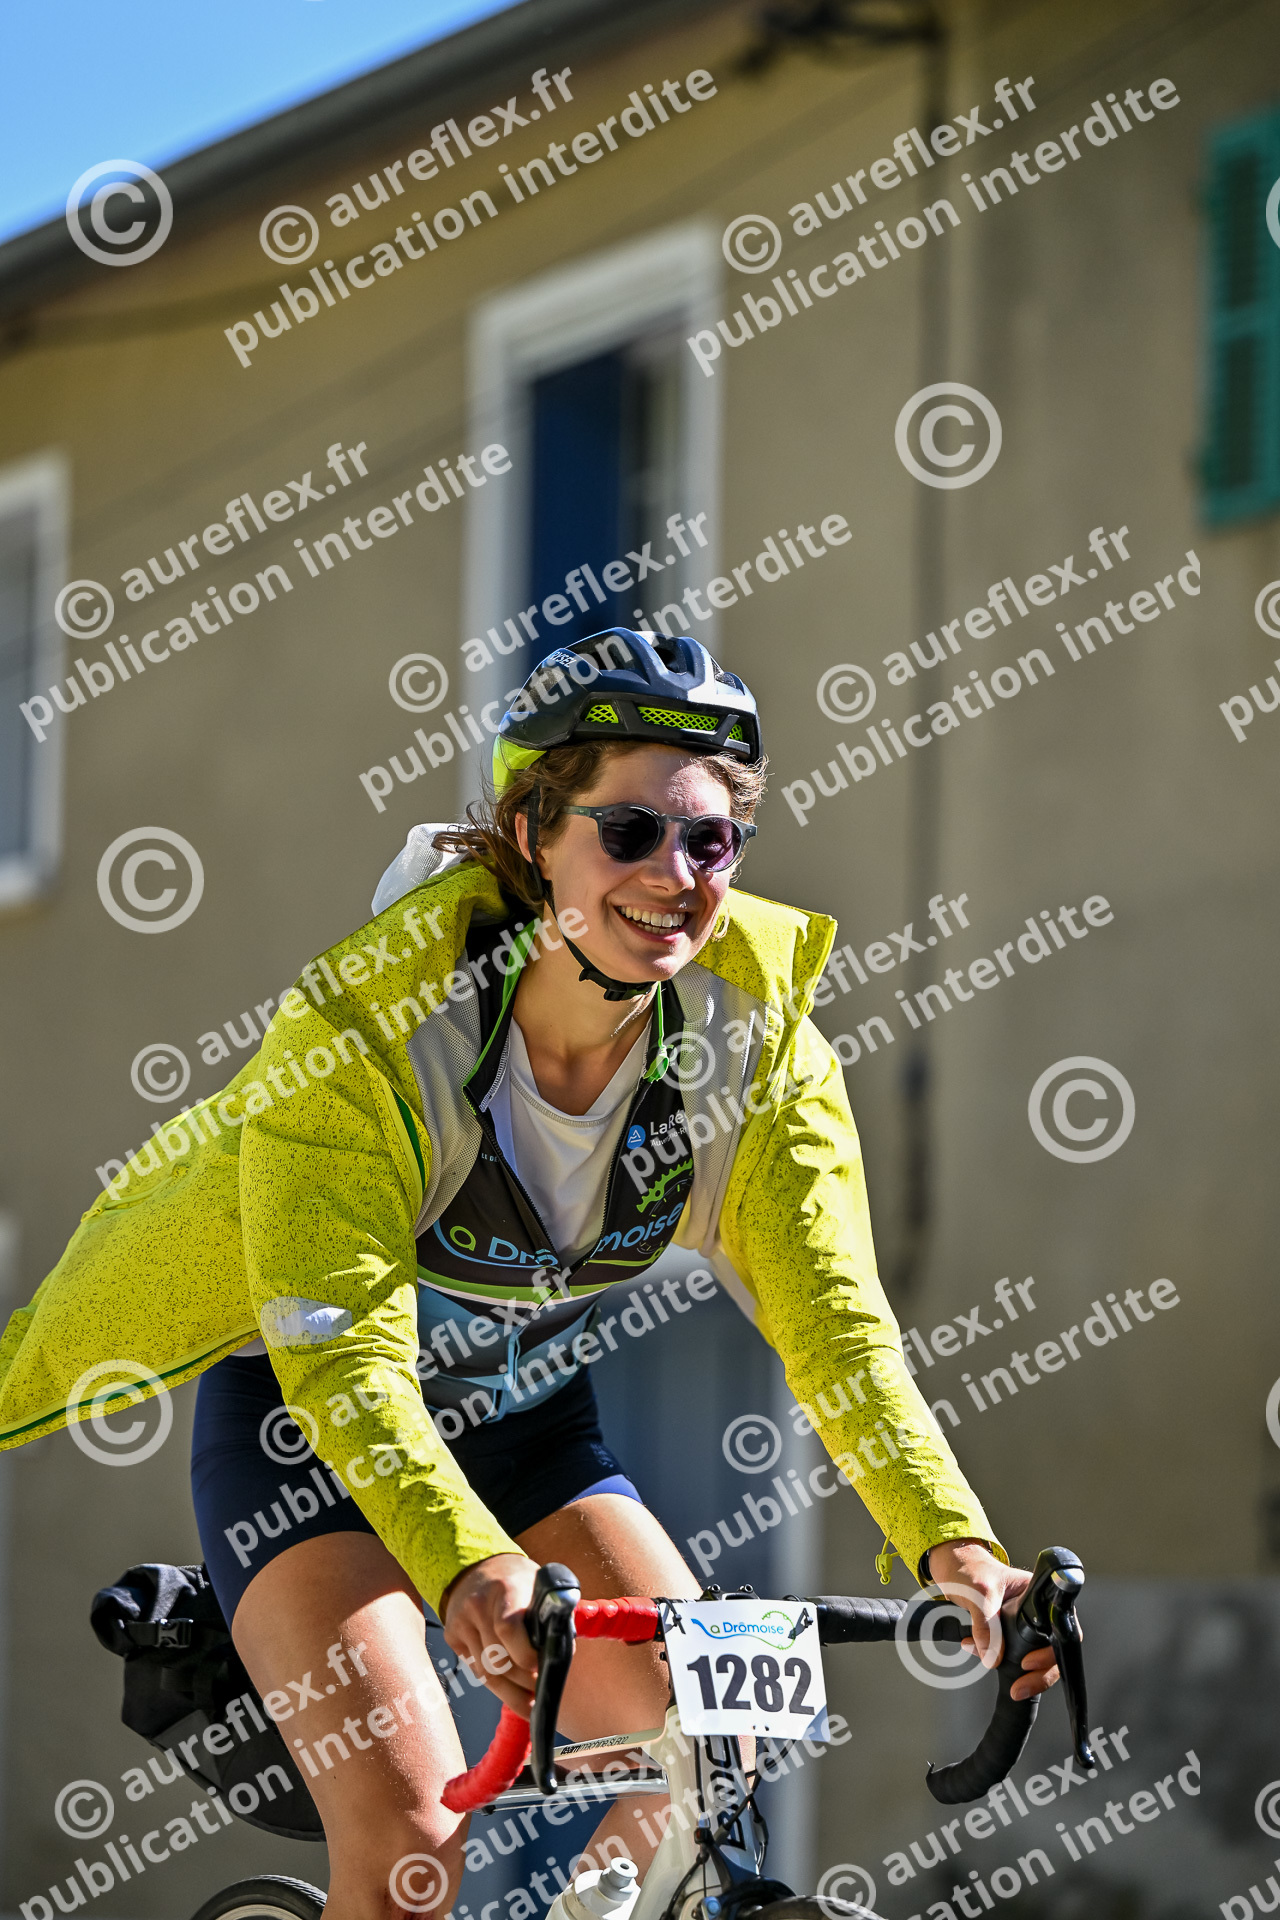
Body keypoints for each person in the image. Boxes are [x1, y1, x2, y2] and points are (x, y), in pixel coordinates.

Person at [0, 629, 1058, 1920]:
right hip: (316, 1446)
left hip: (528, 1431)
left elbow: (839, 1332)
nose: (677, 876)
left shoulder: (754, 1048)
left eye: (713, 841)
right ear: (532, 832)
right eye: (632, 832)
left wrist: (957, 1545)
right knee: (412, 1853)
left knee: (715, 1748)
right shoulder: (370, 1024)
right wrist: (462, 1566)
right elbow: (343, 1354)